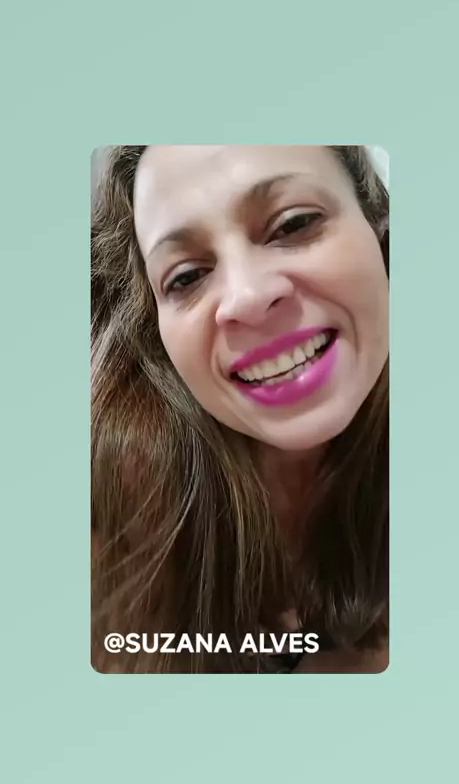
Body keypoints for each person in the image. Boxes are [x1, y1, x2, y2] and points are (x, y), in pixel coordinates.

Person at [91, 145, 389, 674]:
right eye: (186, 276)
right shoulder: (114, 503)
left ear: (380, 230)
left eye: (293, 224)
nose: (247, 297)